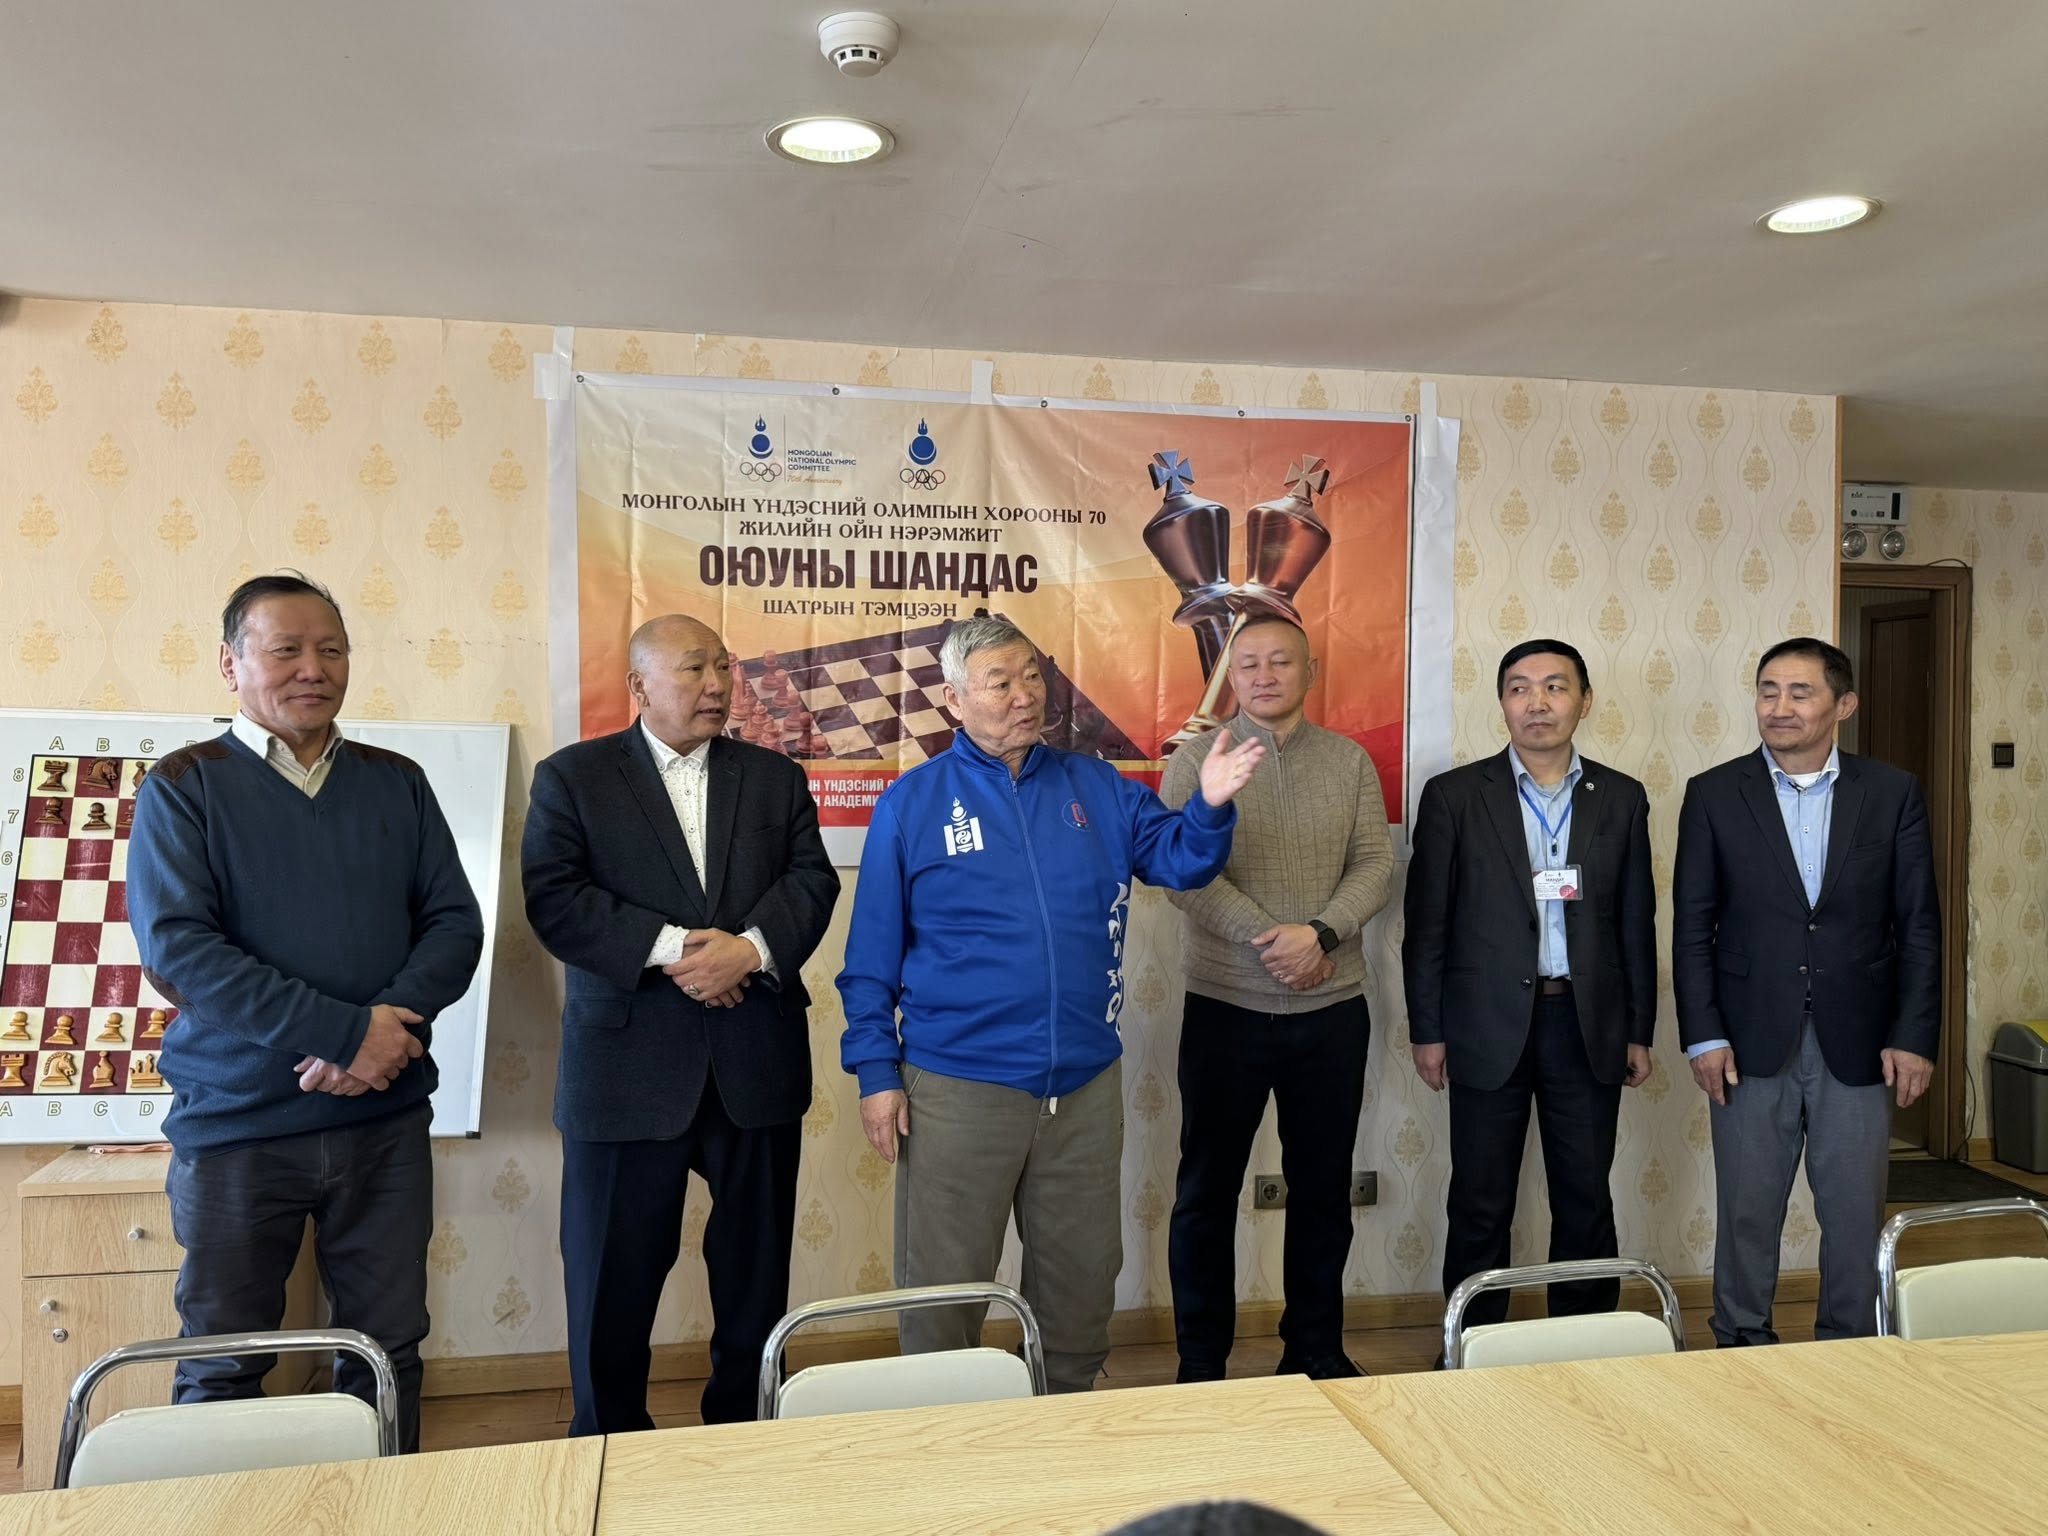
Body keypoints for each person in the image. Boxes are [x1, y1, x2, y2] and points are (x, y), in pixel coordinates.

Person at [838, 613, 1265, 1393]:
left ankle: (1066, 1419)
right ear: (954, 699)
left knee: (1080, 1283)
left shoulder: (1095, 788)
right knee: (944, 1291)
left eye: (1032, 676)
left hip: (1083, 1086)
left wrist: (1207, 806)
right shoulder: (913, 804)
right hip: (957, 1087)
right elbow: (869, 962)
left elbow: (1181, 863)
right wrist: (875, 1072)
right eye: (999, 682)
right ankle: (946, 1433)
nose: (1024, 695)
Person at [127, 572, 483, 1452]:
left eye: (331, 650)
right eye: (285, 649)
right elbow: (182, 953)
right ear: (230, 663)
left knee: (387, 1353)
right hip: (239, 1127)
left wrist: (386, 1032)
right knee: (224, 1358)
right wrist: (346, 1034)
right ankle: (223, 1512)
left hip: (383, 1119)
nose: (312, 669)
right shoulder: (185, 786)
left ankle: (380, 1507)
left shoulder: (396, 782)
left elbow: (453, 924)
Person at [522, 614, 838, 1431]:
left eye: (723, 668)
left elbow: (812, 880)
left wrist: (750, 951)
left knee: (755, 1281)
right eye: (694, 668)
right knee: (612, 1281)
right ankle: (608, 1441)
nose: (716, 684)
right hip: (625, 1071)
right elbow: (557, 899)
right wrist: (685, 954)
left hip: (753, 1062)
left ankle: (742, 1439)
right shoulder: (573, 777)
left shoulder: (774, 777)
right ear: (639, 685)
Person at [1674, 637, 1940, 1346]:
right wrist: (1703, 1034)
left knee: (1854, 1217)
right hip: (1746, 1040)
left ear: (1843, 705)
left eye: (1800, 692)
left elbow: (1919, 925)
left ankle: (1848, 1352)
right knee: (1747, 1213)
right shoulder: (1713, 793)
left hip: (1860, 1040)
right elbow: (1692, 926)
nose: (1780, 707)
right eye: (1768, 691)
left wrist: (1914, 1036)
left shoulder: (1891, 792)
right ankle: (1740, 1347)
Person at [1160, 618, 1393, 1382]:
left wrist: (1320, 934)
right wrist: (1275, 943)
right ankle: (1202, 1361)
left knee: (1323, 1190)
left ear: (1310, 670)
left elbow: (1374, 863)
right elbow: (1183, 876)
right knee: (1206, 1190)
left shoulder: (1349, 760)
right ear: (1230, 677)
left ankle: (1315, 1349)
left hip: (1331, 1009)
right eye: (1248, 664)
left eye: (1280, 662)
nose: (1263, 675)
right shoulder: (1196, 759)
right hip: (1225, 1008)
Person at [1402, 639, 1656, 1333]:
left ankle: (1585, 1342)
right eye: (1519, 688)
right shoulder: (1455, 796)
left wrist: (1639, 1029)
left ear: (1584, 701)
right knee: (1480, 1200)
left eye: (1554, 686)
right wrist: (1428, 1029)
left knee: (1585, 1197)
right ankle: (1473, 1347)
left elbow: (1636, 923)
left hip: (1587, 1023)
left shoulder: (1622, 797)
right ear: (1502, 702)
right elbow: (1427, 926)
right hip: (1484, 1024)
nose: (1536, 703)